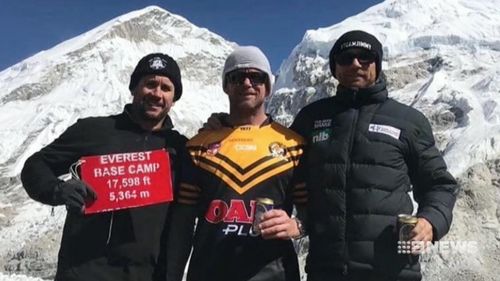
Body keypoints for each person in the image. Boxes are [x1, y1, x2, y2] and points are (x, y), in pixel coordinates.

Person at [290, 30, 458, 281]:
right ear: (334, 68)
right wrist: (223, 124)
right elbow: (280, 169)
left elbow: (440, 185)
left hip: (393, 271)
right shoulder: (310, 118)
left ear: (377, 65)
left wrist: (430, 222)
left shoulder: (408, 121)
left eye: (365, 57)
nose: (355, 63)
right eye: (346, 57)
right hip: (326, 270)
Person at [20, 53, 187, 281]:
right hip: (85, 273)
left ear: (174, 98)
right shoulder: (94, 130)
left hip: (148, 276)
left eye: (166, 88)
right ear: (134, 88)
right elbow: (35, 166)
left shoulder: (182, 149)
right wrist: (58, 190)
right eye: (150, 84)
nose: (157, 94)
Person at [166, 46, 307, 281]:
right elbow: (182, 226)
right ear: (225, 85)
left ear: (269, 86)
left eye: (257, 76)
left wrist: (297, 226)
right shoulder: (197, 146)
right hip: (209, 273)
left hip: (275, 274)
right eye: (237, 77)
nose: (247, 83)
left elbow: (314, 212)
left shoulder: (294, 145)